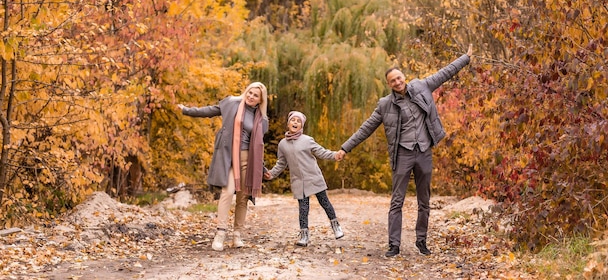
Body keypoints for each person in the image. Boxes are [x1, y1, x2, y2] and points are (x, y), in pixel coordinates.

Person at [335, 45, 473, 257]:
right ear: (389, 84)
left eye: (399, 78)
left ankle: (421, 241)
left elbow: (445, 72)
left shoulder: (422, 86)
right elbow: (366, 128)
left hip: (424, 151)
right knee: (397, 201)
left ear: (404, 77)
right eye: (393, 81)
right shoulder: (385, 105)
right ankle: (394, 245)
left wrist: (465, 58)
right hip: (403, 155)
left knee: (424, 200)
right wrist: (345, 148)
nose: (397, 82)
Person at [178, 82, 269, 251]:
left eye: (255, 95)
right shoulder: (232, 103)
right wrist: (186, 110)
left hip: (248, 160)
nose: (251, 96)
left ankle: (237, 235)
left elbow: (259, 146)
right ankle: (220, 233)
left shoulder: (261, 119)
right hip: (229, 156)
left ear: (260, 100)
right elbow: (209, 111)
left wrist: (262, 169)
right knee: (227, 192)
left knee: (243, 198)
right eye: (250, 92)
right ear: (246, 91)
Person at [264, 111, 344, 247]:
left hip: (313, 177)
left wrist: (334, 155)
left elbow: (321, 152)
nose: (295, 122)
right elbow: (281, 163)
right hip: (298, 181)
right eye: (293, 120)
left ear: (301, 125)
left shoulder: (307, 140)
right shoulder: (282, 144)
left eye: (298, 121)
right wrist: (271, 174)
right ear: (288, 123)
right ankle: (304, 235)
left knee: (324, 202)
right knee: (303, 208)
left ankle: (336, 226)